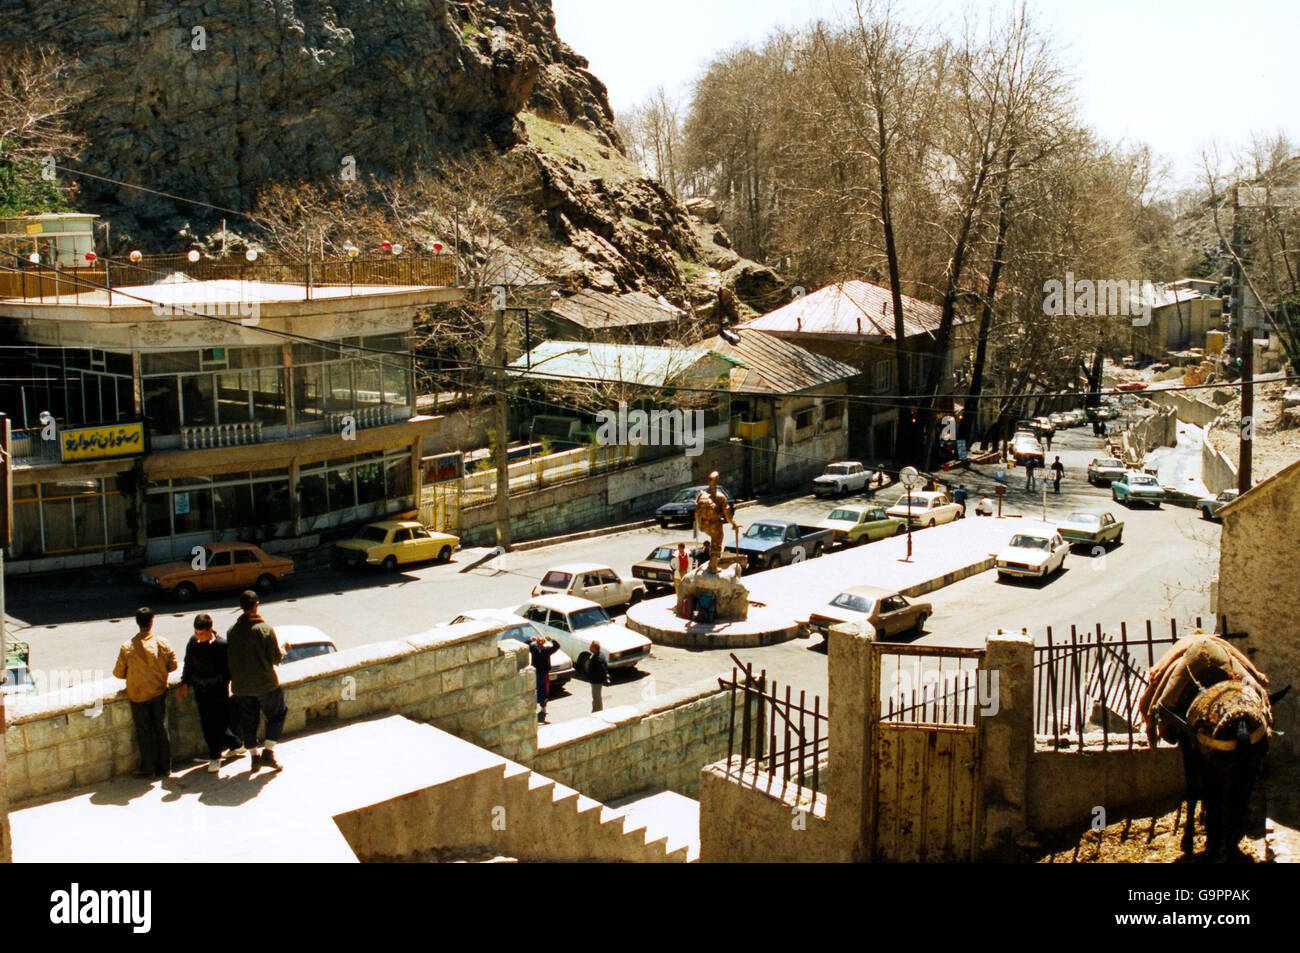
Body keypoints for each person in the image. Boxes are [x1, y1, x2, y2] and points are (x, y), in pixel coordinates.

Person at [113, 607, 178, 779]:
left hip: (138, 695)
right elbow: (174, 666)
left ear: (137, 622)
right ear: (151, 621)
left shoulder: (127, 647)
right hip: (158, 692)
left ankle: (148, 768)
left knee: (144, 731)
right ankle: (166, 767)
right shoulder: (162, 643)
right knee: (161, 729)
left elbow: (118, 673)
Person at [226, 590, 287, 772]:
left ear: (241, 607)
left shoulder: (232, 632)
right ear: (256, 605)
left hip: (242, 687)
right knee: (277, 714)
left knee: (248, 722)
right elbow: (276, 658)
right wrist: (284, 650)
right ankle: (268, 753)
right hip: (265, 684)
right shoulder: (265, 629)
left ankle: (254, 758)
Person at [177, 613, 240, 774]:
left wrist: (225, 684)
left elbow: (229, 669)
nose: (199, 637)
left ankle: (215, 756)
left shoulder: (221, 645)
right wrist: (185, 683)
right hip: (201, 690)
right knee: (207, 724)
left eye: (202, 633)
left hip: (219, 691)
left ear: (210, 629)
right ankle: (232, 747)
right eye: (197, 633)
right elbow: (188, 664)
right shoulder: (193, 642)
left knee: (219, 722)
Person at [529, 634, 560, 722]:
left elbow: (557, 646)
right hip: (536, 673)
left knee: (545, 691)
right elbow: (528, 645)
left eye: (542, 641)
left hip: (544, 673)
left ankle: (543, 708)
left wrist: (552, 639)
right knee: (536, 690)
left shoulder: (547, 650)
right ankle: (536, 706)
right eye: (538, 641)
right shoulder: (534, 649)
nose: (540, 643)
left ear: (544, 642)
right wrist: (532, 641)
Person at [587, 641, 610, 713]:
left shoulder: (597, 658)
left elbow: (602, 669)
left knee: (596, 696)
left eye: (591, 646)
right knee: (596, 696)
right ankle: (596, 709)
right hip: (596, 680)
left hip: (596, 681)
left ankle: (597, 711)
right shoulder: (600, 655)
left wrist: (604, 676)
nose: (589, 648)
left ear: (594, 648)